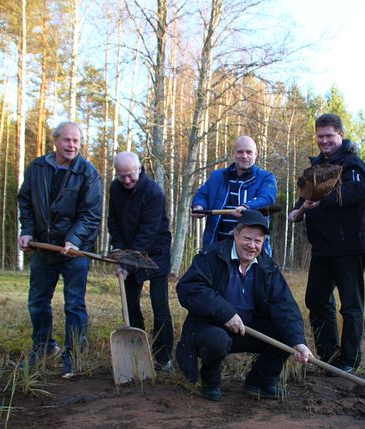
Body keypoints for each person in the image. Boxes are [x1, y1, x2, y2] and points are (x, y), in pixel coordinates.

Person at [175, 209, 313, 401]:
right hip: (210, 328)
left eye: (258, 241)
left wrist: (298, 342)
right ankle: (210, 382)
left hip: (247, 330)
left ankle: (260, 383)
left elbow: (285, 307)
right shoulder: (211, 256)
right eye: (247, 239)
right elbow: (190, 289)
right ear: (236, 235)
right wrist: (226, 314)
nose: (252, 246)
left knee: (285, 334)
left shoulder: (268, 267)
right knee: (217, 340)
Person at [287, 113, 365, 374]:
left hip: (349, 246)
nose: (324, 141)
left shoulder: (353, 165)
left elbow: (358, 192)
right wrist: (297, 209)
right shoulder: (315, 168)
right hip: (322, 248)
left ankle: (349, 360)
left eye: (329, 136)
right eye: (320, 136)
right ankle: (328, 355)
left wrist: (323, 200)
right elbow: (307, 197)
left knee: (351, 305)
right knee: (316, 299)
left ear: (340, 136)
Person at [17, 121, 102, 378]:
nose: (72, 145)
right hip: (43, 248)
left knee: (74, 304)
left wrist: (74, 239)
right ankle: (43, 347)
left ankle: (73, 355)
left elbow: (90, 214)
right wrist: (27, 230)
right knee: (37, 302)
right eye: (67, 140)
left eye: (76, 141)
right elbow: (26, 201)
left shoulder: (88, 173)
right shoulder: (38, 168)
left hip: (74, 251)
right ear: (55, 140)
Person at [108, 151, 174, 372]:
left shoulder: (153, 192)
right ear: (116, 173)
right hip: (128, 250)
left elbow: (147, 233)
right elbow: (113, 222)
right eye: (121, 176)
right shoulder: (115, 188)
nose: (126, 180)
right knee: (131, 302)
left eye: (131, 175)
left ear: (139, 169)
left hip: (156, 252)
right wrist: (118, 250)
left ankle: (163, 357)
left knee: (159, 303)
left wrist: (126, 262)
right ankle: (137, 351)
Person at [191, 135, 277, 255]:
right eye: (240, 152)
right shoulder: (217, 176)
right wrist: (199, 206)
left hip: (250, 250)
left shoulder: (266, 178)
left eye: (248, 152)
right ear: (233, 153)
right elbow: (202, 195)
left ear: (256, 153)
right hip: (216, 247)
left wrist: (247, 207)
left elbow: (267, 198)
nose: (244, 156)